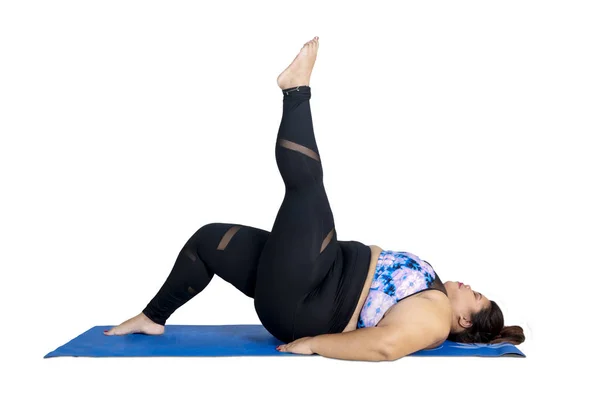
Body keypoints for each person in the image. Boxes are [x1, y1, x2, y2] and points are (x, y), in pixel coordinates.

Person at [104, 36, 525, 361]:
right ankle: (152, 318)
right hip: (311, 276)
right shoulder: (433, 292)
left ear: (465, 319)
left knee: (307, 187)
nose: (470, 286)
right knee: (210, 241)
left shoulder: (434, 317)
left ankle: (296, 90)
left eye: (477, 295)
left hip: (308, 301)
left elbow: (386, 346)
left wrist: (315, 345)